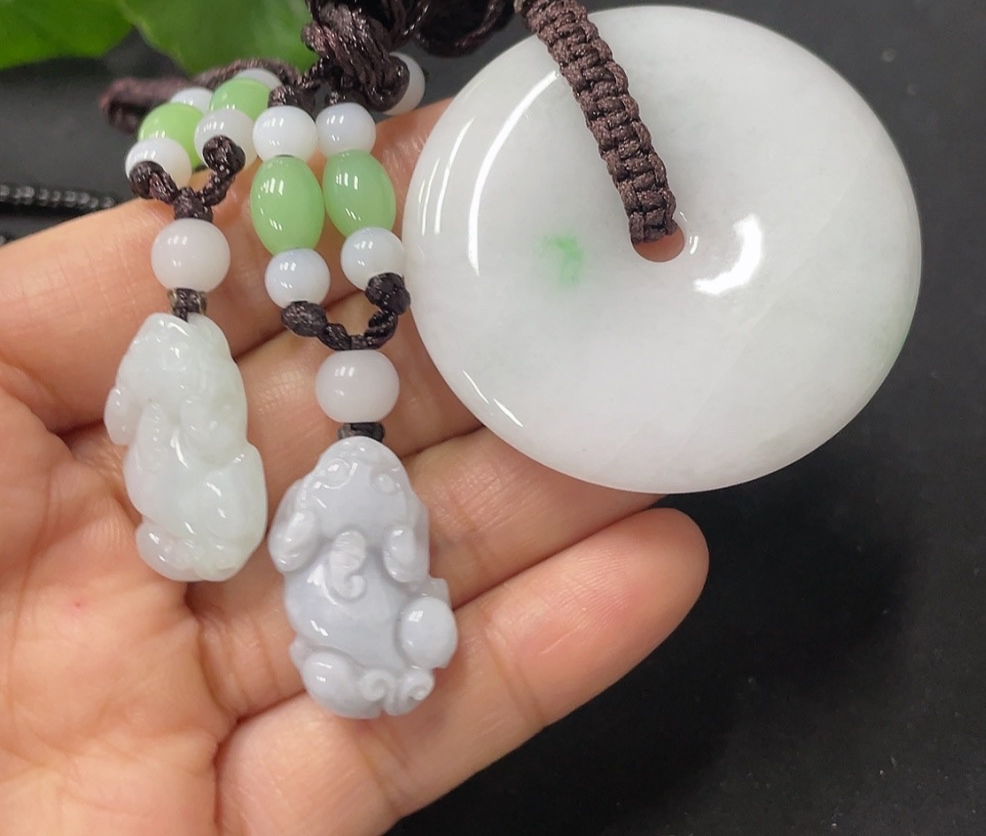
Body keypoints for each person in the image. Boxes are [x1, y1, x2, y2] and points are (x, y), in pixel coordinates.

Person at [0, 102, 708, 833]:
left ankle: (392, 667)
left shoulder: (359, 507)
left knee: (410, 624)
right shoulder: (300, 485)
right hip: (287, 574)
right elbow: (288, 537)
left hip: (371, 617)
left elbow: (382, 551)